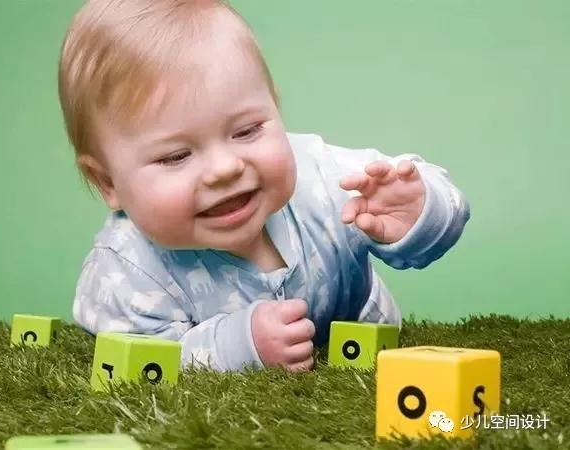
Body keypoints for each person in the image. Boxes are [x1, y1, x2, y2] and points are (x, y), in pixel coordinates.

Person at [58, 0, 470, 372]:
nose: (224, 168)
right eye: (176, 156)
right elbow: (140, 370)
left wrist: (417, 212)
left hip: (373, 367)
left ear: (274, 106)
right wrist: (240, 345)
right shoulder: (125, 272)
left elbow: (439, 206)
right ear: (108, 182)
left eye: (247, 130)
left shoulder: (322, 174)